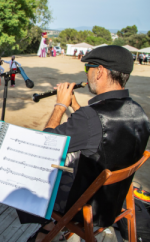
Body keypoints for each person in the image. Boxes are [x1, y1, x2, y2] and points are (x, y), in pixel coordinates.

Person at [19, 45, 150, 242]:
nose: (86, 74)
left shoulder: (90, 117)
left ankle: (47, 225)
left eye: (87, 68)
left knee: (22, 168)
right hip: (113, 200)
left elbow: (45, 145)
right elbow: (99, 133)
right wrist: (76, 107)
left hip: (84, 207)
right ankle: (47, 228)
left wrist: (60, 106)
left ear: (100, 72)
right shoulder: (137, 110)